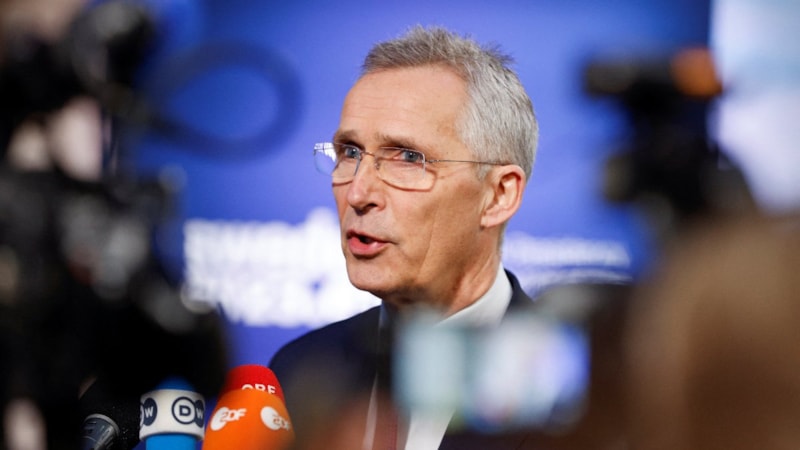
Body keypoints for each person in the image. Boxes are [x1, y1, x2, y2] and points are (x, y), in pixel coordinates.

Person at [269, 25, 539, 450]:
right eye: (349, 153)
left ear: (499, 195)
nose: (358, 194)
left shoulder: (574, 397)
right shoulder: (299, 370)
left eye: (408, 158)